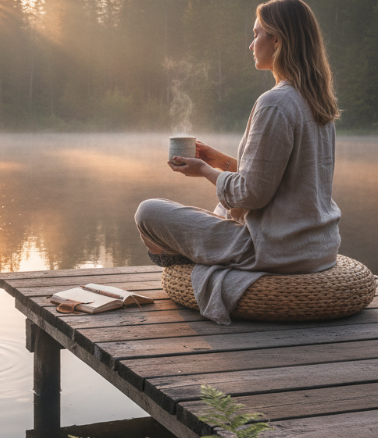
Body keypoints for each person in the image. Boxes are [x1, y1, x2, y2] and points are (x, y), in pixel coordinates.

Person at [135, 0, 341, 325]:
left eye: (257, 33)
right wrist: (221, 161)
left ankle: (186, 260)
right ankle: (200, 251)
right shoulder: (318, 102)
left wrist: (204, 170)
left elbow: (253, 195)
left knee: (147, 212)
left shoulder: (274, 103)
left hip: (275, 248)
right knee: (220, 211)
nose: (251, 43)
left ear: (277, 40)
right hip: (318, 245)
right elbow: (279, 179)